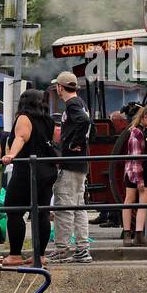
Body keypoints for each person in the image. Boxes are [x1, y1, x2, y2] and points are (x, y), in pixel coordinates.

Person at [0, 88, 58, 265]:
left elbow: (21, 137)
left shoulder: (24, 117)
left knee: (14, 210)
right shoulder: (47, 119)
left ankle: (15, 255)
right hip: (47, 170)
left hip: (27, 170)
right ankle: (39, 255)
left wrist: (11, 155)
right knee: (42, 212)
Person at [47, 73, 93, 263]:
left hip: (71, 161)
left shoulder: (72, 104)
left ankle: (62, 249)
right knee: (78, 205)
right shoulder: (81, 102)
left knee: (64, 205)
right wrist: (83, 143)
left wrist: (74, 143)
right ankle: (82, 248)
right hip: (81, 162)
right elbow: (91, 127)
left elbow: (84, 121)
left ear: (60, 87)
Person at [121, 104, 147, 246]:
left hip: (144, 170)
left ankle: (137, 234)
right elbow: (136, 158)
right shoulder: (137, 133)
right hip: (136, 171)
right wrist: (140, 181)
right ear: (146, 117)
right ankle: (129, 233)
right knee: (130, 199)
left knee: (141, 201)